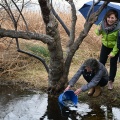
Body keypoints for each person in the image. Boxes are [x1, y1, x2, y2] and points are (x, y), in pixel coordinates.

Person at [95, 9, 120, 90]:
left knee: (113, 64)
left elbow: (118, 42)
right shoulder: (102, 23)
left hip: (115, 47)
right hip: (105, 46)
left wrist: (113, 52)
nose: (110, 19)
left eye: (112, 18)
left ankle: (110, 81)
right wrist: (98, 30)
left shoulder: (119, 27)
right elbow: (97, 33)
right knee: (101, 62)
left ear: (116, 18)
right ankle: (99, 79)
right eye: (108, 17)